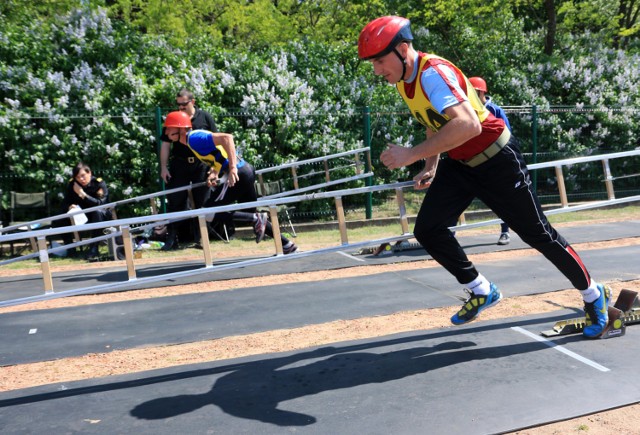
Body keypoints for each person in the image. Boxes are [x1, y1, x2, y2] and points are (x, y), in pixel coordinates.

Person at [358, 16, 611, 338]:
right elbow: (434, 122)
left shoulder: (433, 73)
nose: (377, 70)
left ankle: (593, 293)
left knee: (538, 235)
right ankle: (481, 289)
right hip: (460, 164)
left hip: (496, 160)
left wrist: (411, 154)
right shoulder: (404, 80)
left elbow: (468, 125)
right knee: (429, 230)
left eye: (380, 60)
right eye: (373, 63)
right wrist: (431, 165)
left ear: (403, 49)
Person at [163, 110, 298, 254]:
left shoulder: (195, 138)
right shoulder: (191, 142)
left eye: (169, 127)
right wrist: (214, 173)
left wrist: (232, 168)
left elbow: (227, 138)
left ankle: (256, 219)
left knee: (208, 212)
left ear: (180, 129)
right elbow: (218, 154)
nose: (166, 130)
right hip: (244, 171)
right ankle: (287, 245)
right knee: (252, 215)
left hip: (240, 172)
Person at [159, 88, 218, 250]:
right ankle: (172, 237)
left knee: (203, 201)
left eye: (183, 104)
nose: (180, 107)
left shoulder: (205, 117)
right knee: (175, 200)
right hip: (180, 164)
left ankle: (202, 237)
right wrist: (163, 167)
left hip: (200, 164)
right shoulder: (173, 118)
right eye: (178, 104)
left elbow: (216, 143)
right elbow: (165, 144)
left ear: (192, 102)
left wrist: (214, 169)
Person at [469, 76, 512, 245]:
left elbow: (506, 134)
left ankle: (505, 231)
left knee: (501, 198)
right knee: (460, 194)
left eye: (472, 92)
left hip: (495, 162)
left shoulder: (495, 110)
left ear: (481, 92)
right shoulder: (466, 110)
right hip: (473, 162)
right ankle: (450, 233)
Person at [57, 162, 113, 260]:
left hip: (102, 216)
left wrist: (83, 194)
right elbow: (64, 203)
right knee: (62, 217)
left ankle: (94, 248)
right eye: (78, 177)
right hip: (82, 216)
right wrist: (69, 207)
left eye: (83, 176)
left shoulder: (98, 183)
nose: (81, 179)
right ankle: (70, 248)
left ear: (89, 173)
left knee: (97, 212)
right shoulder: (73, 184)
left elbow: (100, 203)